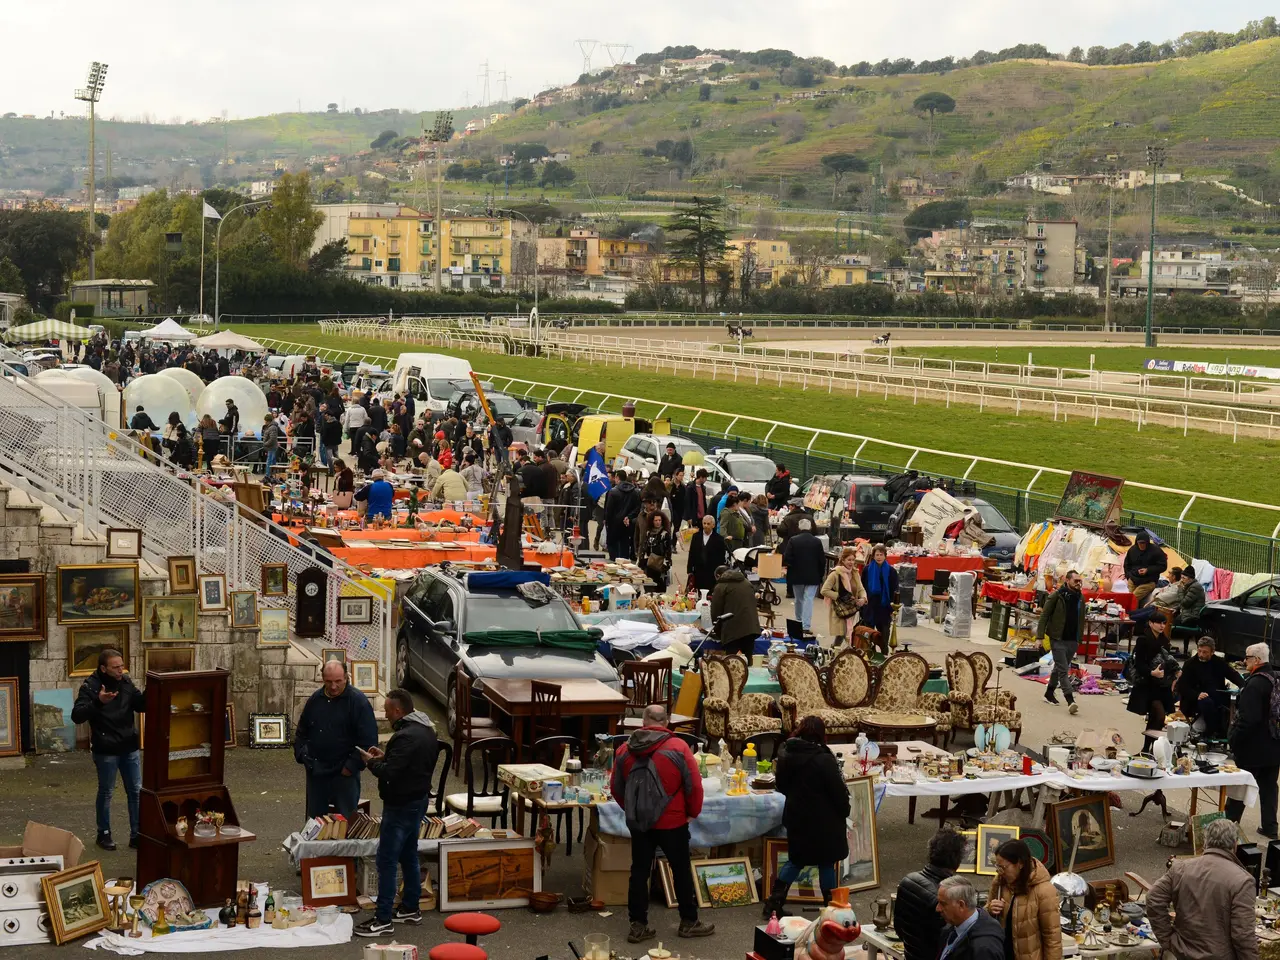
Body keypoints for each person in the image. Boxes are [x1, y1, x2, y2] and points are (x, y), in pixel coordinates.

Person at [611, 705, 714, 943]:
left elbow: (616, 787)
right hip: (673, 820)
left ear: (643, 721)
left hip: (640, 823)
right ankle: (689, 921)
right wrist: (692, 812)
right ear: (666, 722)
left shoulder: (625, 749)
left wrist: (633, 809)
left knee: (639, 871)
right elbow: (694, 785)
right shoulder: (678, 747)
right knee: (680, 869)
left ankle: (638, 925)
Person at [353, 689, 439, 937]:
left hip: (400, 804)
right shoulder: (426, 730)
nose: (386, 714)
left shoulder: (404, 737)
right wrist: (386, 756)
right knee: (408, 853)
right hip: (418, 801)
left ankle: (383, 919)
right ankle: (411, 907)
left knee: (387, 859)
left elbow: (390, 773)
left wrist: (370, 761)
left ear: (399, 711)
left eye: (388, 710)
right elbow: (406, 764)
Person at [762, 716, 849, 918]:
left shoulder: (787, 754)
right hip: (824, 820)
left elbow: (781, 785)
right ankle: (831, 908)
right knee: (826, 862)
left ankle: (773, 904)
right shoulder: (824, 759)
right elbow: (837, 791)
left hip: (797, 817)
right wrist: (844, 809)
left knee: (796, 860)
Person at [1146, 817, 1259, 960]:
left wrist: (1167, 939)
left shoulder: (1181, 868)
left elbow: (1153, 898)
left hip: (1180, 952)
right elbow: (1243, 935)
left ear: (1205, 842)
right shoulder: (1242, 880)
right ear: (1235, 844)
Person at [71, 649, 145, 851]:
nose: (121, 670)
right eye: (116, 667)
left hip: (129, 746)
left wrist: (154, 689)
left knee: (136, 791)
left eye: (122, 665)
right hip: (106, 749)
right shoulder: (91, 686)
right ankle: (103, 834)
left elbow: (141, 705)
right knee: (106, 792)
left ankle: (137, 834)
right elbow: (77, 715)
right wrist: (98, 701)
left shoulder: (126, 682)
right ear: (103, 668)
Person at [294, 661, 379, 819]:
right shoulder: (315, 699)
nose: (333, 686)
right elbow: (302, 731)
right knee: (315, 823)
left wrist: (350, 767)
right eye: (329, 681)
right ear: (323, 679)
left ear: (346, 677)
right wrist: (302, 755)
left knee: (345, 821)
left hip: (343, 775)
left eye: (338, 681)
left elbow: (368, 741)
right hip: (317, 771)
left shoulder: (358, 702)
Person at [1226, 643, 1280, 839]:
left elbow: (1248, 719)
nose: (1244, 660)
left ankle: (1228, 829)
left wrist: (1233, 739)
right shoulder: (1275, 678)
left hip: (1253, 747)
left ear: (1257, 660)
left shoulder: (1255, 684)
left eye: (1247, 657)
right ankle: (1270, 827)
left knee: (1239, 787)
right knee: (1269, 787)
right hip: (1274, 745)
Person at [894, 829, 967, 960]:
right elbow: (950, 943)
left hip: (910, 954)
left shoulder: (907, 881)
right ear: (957, 860)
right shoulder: (946, 898)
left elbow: (899, 927)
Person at [986, 838, 1061, 960]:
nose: (1000, 872)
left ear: (1020, 864)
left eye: (1003, 867)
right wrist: (989, 909)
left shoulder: (1044, 891)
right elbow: (985, 916)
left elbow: (1052, 936)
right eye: (997, 866)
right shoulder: (999, 882)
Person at [1126, 613, 1179, 752]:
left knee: (1157, 718)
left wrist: (1175, 672)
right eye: (1159, 622)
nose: (1162, 626)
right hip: (1147, 685)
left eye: (1164, 623)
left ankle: (1150, 750)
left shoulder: (1164, 640)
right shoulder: (1143, 640)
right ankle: (1148, 749)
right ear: (1150, 623)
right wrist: (1151, 673)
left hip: (1161, 685)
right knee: (1159, 715)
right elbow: (1138, 664)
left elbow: (1168, 661)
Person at [1175, 636, 1243, 738]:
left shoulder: (1218, 662)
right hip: (1194, 700)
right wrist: (1197, 695)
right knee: (1206, 702)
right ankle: (1212, 731)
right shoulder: (1190, 664)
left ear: (1212, 652)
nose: (1201, 655)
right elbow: (1182, 686)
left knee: (1234, 701)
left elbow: (1232, 674)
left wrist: (1243, 686)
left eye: (1205, 652)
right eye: (1199, 651)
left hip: (1216, 696)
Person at [1037, 569, 1084, 716]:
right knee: (1064, 670)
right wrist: (1039, 637)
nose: (1078, 583)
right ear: (1067, 580)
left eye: (1080, 581)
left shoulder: (1080, 598)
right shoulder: (1056, 596)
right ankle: (1070, 700)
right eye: (1076, 581)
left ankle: (1049, 692)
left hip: (1073, 640)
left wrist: (1079, 638)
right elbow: (1044, 616)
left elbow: (1081, 619)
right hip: (1057, 639)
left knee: (1059, 667)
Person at [936, 876, 1005, 960]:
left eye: (943, 904)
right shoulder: (951, 928)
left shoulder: (984, 949)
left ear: (961, 905)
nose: (937, 908)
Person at [782, 523, 826, 634]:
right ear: (810, 527)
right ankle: (806, 626)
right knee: (809, 599)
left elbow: (787, 557)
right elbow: (822, 560)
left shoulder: (793, 540)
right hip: (813, 575)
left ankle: (798, 621)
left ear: (799, 528)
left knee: (799, 599)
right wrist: (820, 575)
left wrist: (792, 567)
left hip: (796, 575)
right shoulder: (817, 541)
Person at [709, 564, 761, 658]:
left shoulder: (721, 586)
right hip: (751, 628)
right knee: (747, 661)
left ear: (718, 575)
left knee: (733, 662)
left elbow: (716, 612)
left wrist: (718, 632)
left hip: (732, 630)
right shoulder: (747, 583)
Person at [821, 547, 867, 647]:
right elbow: (824, 590)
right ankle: (834, 652)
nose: (851, 562)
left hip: (851, 608)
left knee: (847, 633)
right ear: (843, 560)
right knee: (841, 634)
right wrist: (839, 596)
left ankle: (837, 651)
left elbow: (861, 589)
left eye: (853, 560)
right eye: (849, 560)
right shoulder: (835, 573)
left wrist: (863, 598)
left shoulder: (855, 573)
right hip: (840, 609)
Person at [861, 543, 899, 656]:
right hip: (870, 607)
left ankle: (884, 656)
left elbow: (895, 589)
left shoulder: (891, 571)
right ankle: (869, 657)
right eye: (877, 555)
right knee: (868, 637)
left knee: (884, 638)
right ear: (873, 556)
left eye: (881, 555)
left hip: (884, 608)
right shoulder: (867, 570)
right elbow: (862, 587)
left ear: (885, 556)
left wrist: (893, 607)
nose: (879, 557)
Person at [605, 470, 642, 561]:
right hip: (627, 524)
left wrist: (607, 522)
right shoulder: (635, 492)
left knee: (613, 547)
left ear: (617, 477)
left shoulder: (613, 492)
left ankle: (613, 562)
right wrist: (629, 517)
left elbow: (608, 510)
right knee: (625, 545)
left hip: (614, 524)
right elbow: (637, 508)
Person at [1124, 533, 1167, 606]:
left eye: (1143, 543)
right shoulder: (1132, 550)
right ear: (1137, 542)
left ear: (1147, 542)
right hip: (1133, 579)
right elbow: (1126, 565)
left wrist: (1148, 570)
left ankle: (1133, 612)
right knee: (1128, 598)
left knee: (1133, 598)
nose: (1141, 545)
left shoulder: (1156, 551)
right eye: (1140, 543)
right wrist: (1128, 577)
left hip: (1149, 581)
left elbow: (1163, 566)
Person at [686, 514, 726, 594]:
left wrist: (719, 572)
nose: (706, 526)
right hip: (698, 571)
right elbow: (691, 553)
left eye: (708, 524)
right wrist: (689, 569)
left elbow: (721, 558)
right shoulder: (696, 536)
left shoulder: (719, 539)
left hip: (711, 572)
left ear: (713, 525)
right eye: (704, 523)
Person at [641, 511, 673, 592]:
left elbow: (668, 550)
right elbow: (645, 548)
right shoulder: (648, 533)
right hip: (649, 565)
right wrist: (642, 561)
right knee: (648, 589)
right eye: (656, 520)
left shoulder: (665, 534)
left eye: (659, 520)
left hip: (661, 566)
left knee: (660, 590)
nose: (658, 522)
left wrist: (666, 564)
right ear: (652, 521)